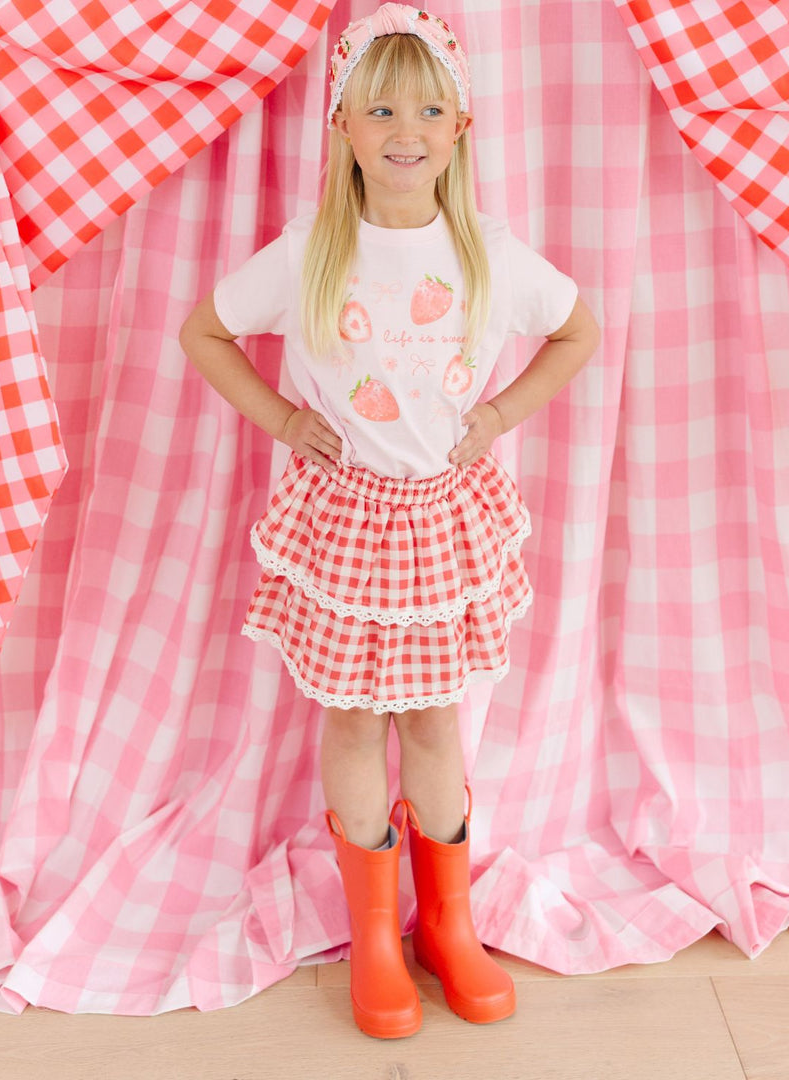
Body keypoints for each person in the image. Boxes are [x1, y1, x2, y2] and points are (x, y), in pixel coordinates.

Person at [179, 2, 600, 1040]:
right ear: (344, 127)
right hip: (346, 523)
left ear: (460, 128)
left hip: (442, 522)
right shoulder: (310, 252)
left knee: (436, 718)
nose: (404, 129)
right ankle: (373, 933)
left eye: (426, 110)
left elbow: (577, 332)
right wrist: (285, 418)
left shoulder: (488, 252)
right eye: (379, 109)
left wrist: (496, 416)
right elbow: (206, 332)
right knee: (355, 719)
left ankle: (447, 922)